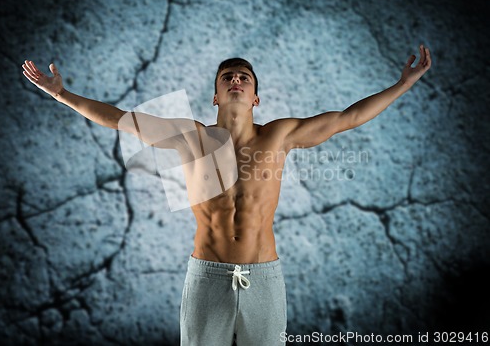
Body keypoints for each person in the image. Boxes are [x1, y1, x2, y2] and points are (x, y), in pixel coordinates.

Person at [22, 45, 431, 345]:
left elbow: (348, 117)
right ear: (216, 96)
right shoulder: (191, 137)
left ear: (255, 98)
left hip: (264, 277)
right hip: (207, 275)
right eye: (227, 78)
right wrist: (61, 94)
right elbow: (120, 120)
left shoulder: (280, 135)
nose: (236, 80)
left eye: (244, 78)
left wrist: (403, 84)